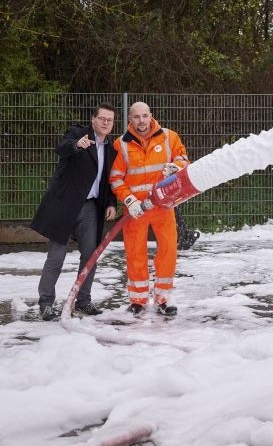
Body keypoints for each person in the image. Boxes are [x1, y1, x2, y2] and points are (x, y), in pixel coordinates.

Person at [31, 103, 118, 320]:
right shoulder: (78, 134)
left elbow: (109, 180)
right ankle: (46, 304)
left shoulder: (110, 148)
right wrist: (76, 145)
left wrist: (111, 203)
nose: (106, 123)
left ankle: (83, 301)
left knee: (91, 256)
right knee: (56, 256)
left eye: (110, 120)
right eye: (102, 119)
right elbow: (61, 148)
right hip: (65, 205)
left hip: (91, 208)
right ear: (93, 119)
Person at [109, 101, 190, 317]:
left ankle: (163, 299)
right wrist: (128, 201)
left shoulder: (168, 137)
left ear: (151, 116)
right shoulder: (121, 144)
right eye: (136, 117)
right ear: (130, 120)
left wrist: (178, 167)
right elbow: (115, 178)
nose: (141, 121)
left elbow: (183, 159)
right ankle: (138, 300)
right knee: (135, 253)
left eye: (145, 116)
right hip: (136, 209)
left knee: (168, 250)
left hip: (163, 205)